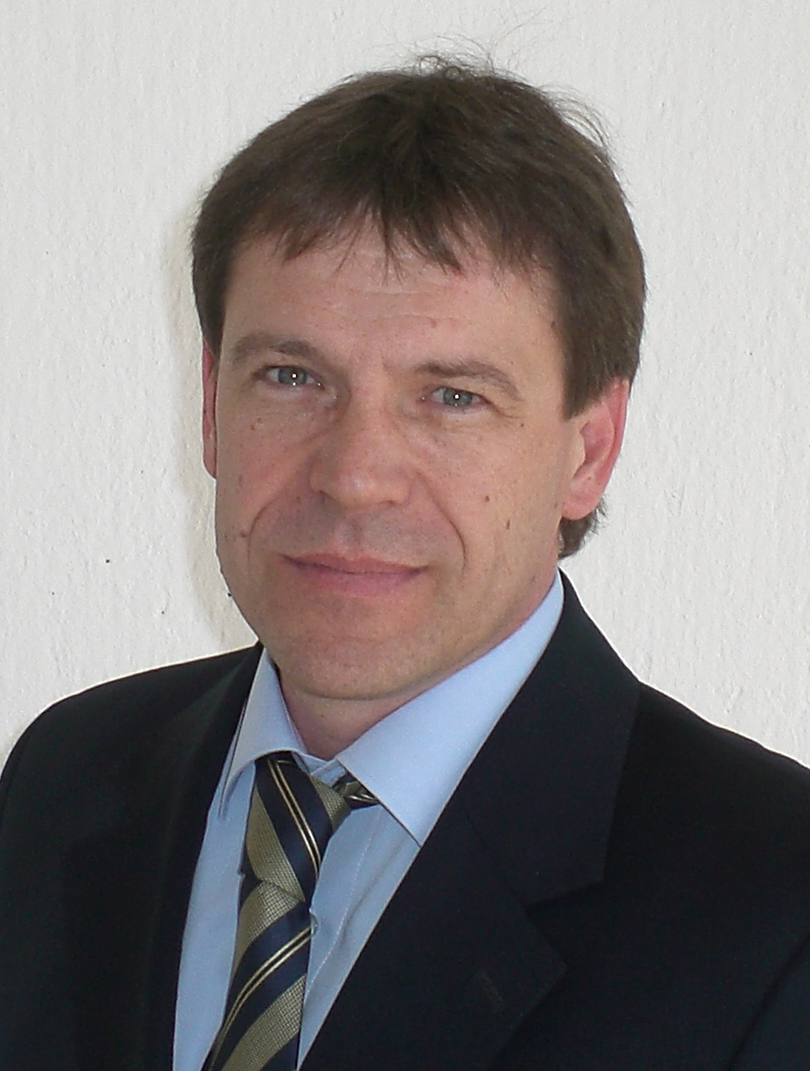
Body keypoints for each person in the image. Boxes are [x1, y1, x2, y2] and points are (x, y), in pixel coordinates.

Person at [2, 58, 810, 1071]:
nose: (354, 477)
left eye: (452, 396)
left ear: (587, 449)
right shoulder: (63, 780)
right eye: (291, 376)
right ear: (210, 407)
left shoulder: (775, 905)